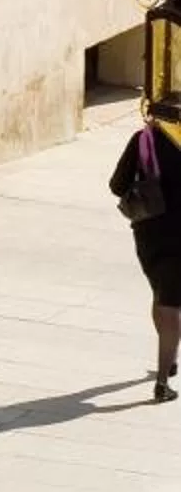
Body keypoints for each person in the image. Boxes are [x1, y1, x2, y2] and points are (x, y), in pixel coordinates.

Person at [110, 109, 181, 399]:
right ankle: (163, 381)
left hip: (149, 232)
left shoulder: (144, 139)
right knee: (172, 304)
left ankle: (170, 358)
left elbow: (117, 186)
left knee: (160, 294)